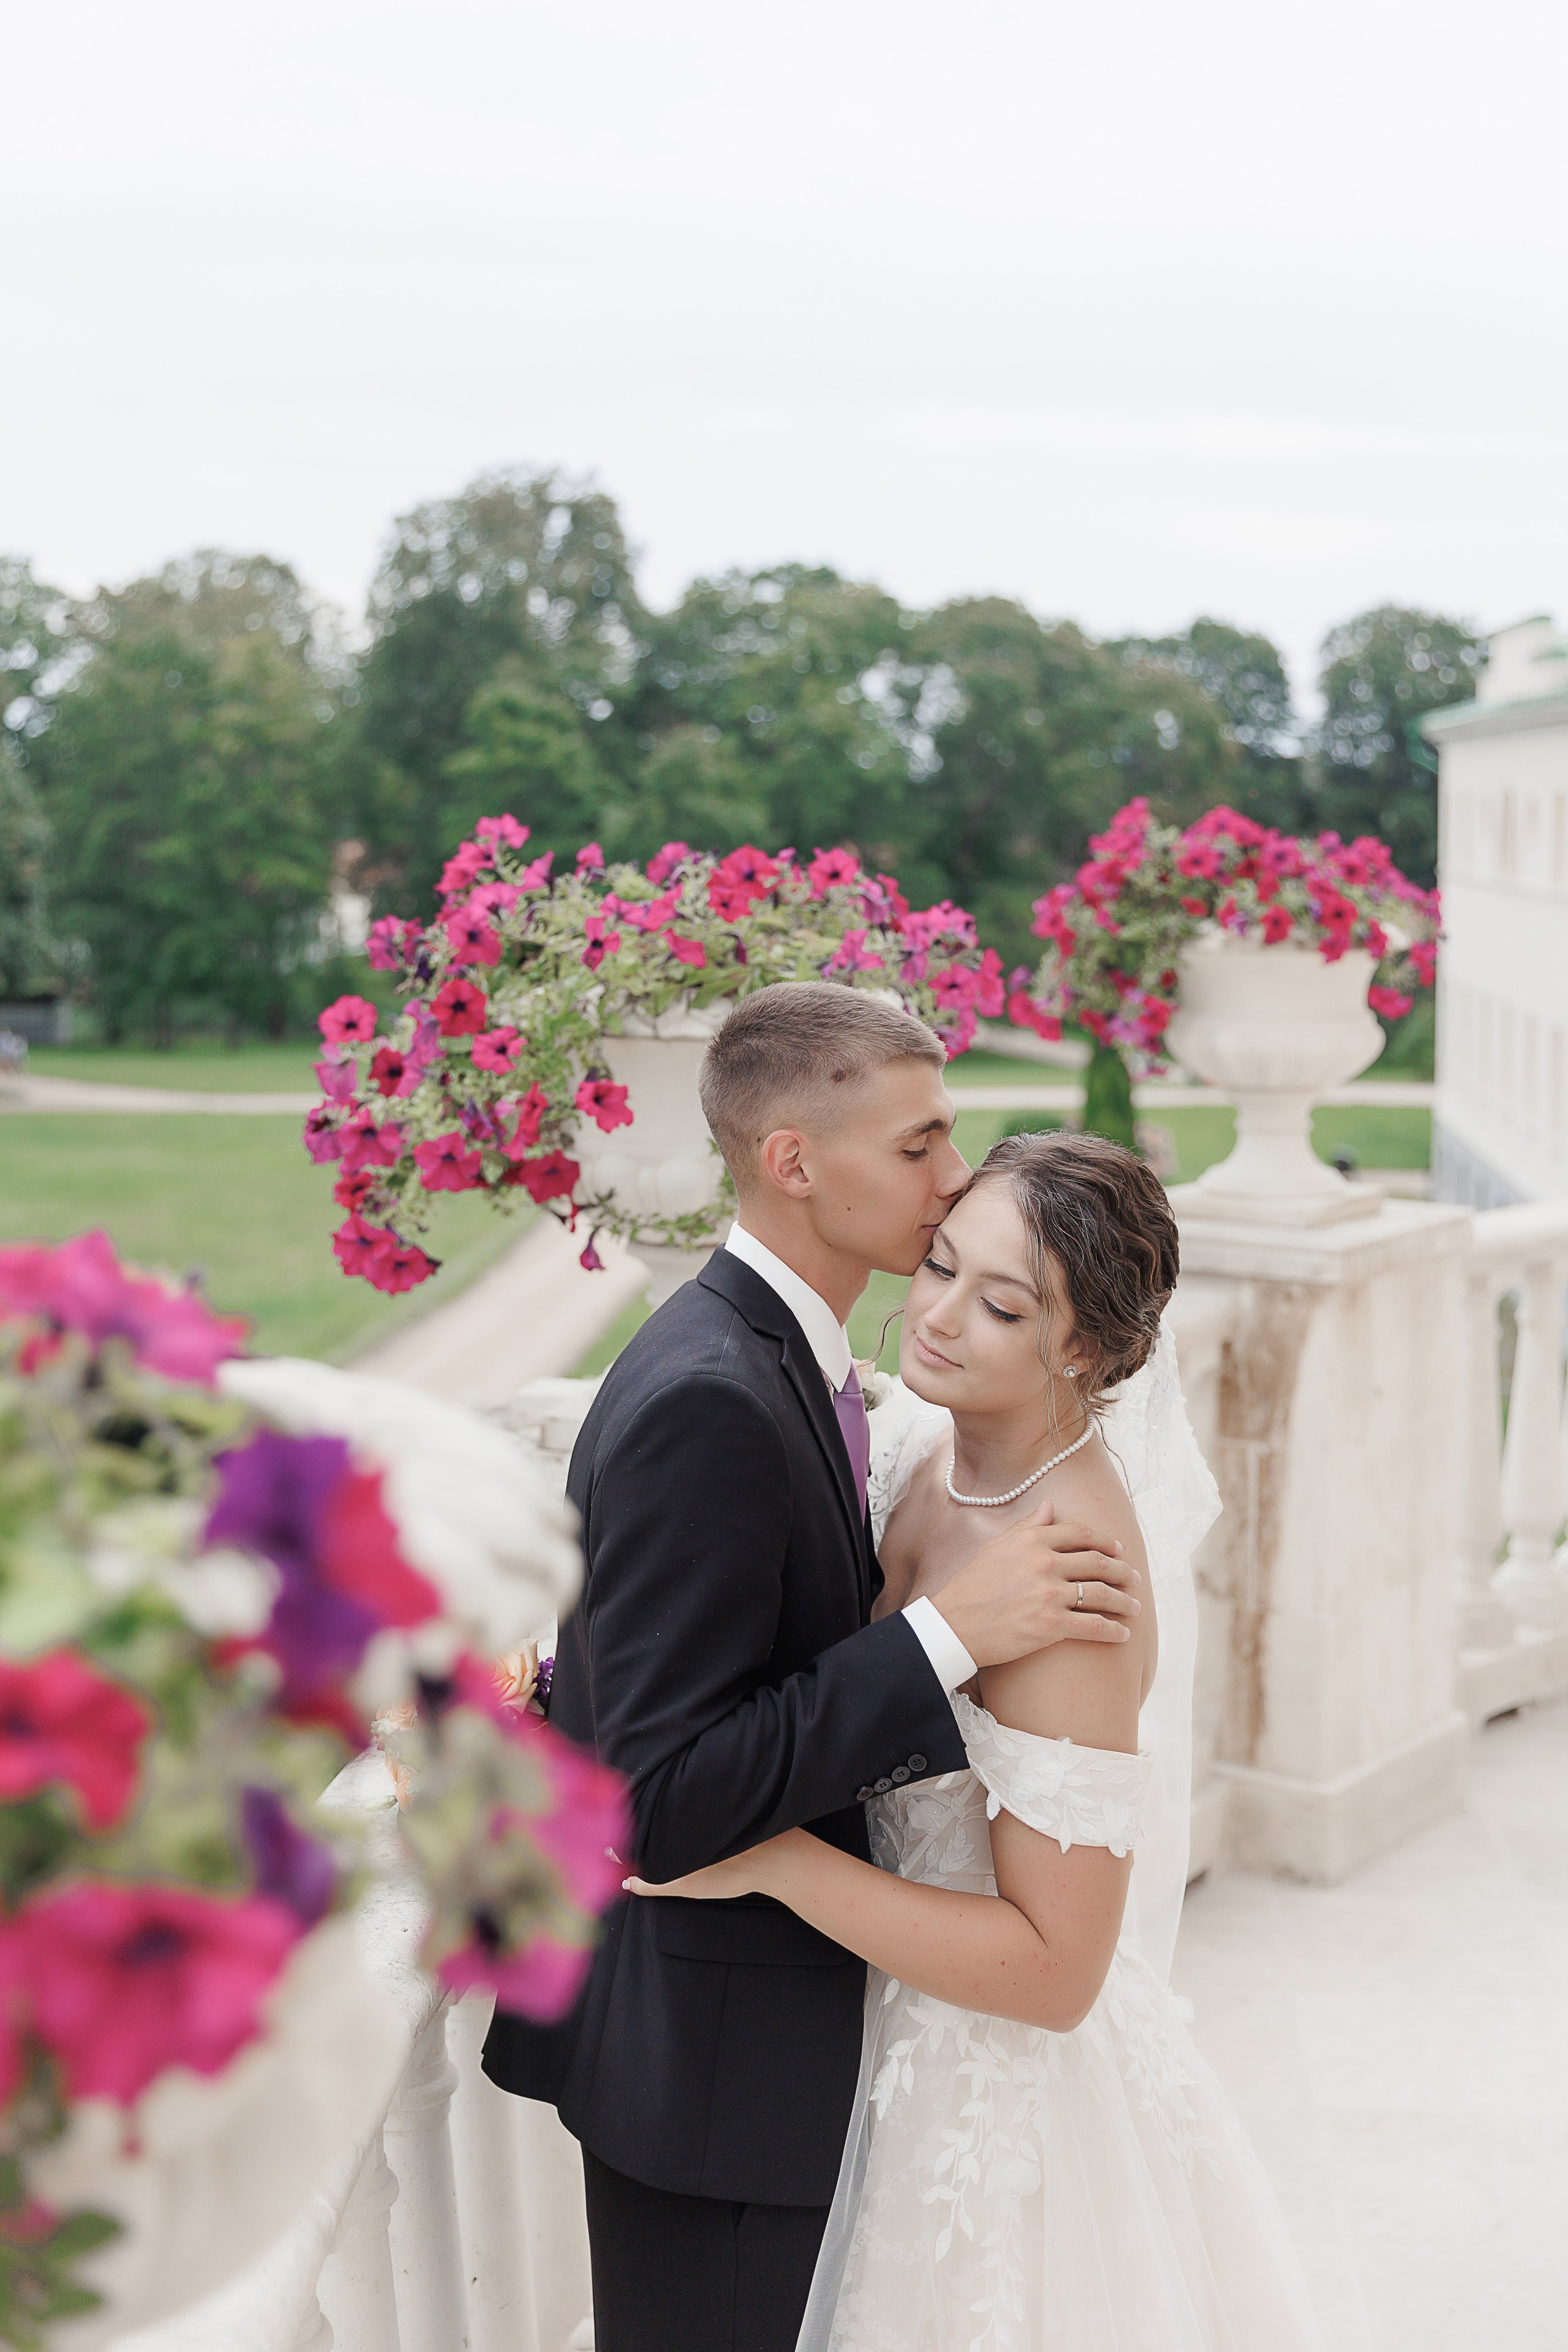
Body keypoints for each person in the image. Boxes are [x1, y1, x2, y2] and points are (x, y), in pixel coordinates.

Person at [482, 987, 1145, 2352]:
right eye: (917, 1147)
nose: (950, 1177)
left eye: (997, 1290)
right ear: (794, 1163)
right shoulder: (720, 1394)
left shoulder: (826, 1381)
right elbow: (656, 1802)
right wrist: (950, 1634)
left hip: (830, 2062)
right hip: (714, 2076)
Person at [629, 1129, 1325, 2350]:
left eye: (998, 1304)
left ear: (1088, 1350)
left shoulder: (1072, 1597)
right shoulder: (919, 1437)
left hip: (977, 2092)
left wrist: (769, 1858)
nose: (938, 1318)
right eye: (939, 1265)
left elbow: (1055, 1971)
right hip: (844, 2020)